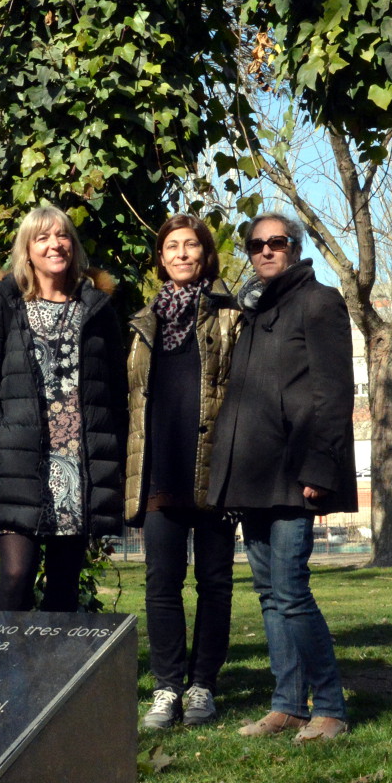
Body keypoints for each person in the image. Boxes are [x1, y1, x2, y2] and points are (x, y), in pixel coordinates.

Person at [206, 213, 358, 742]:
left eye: (277, 242)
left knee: (291, 591)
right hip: (252, 474)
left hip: (296, 471)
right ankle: (287, 704)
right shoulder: (253, 310)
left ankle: (331, 707)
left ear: (295, 247)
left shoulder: (320, 302)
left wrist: (320, 465)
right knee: (269, 593)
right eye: (256, 244)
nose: (266, 251)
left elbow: (335, 392)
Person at [0, 205, 128, 611]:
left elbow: (115, 390)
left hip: (78, 465)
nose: (55, 245)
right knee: (15, 577)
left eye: (63, 235)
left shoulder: (97, 310)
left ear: (73, 245)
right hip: (18, 462)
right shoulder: (1, 306)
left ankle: (53, 676)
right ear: (28, 251)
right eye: (42, 238)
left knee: (65, 586)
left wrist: (113, 454)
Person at [126, 215, 241, 730]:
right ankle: (167, 687)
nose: (180, 253)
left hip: (215, 466)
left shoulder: (230, 314)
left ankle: (203, 686)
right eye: (171, 246)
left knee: (214, 582)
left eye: (190, 245)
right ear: (161, 256)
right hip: (158, 467)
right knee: (161, 582)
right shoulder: (142, 322)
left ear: (205, 254)